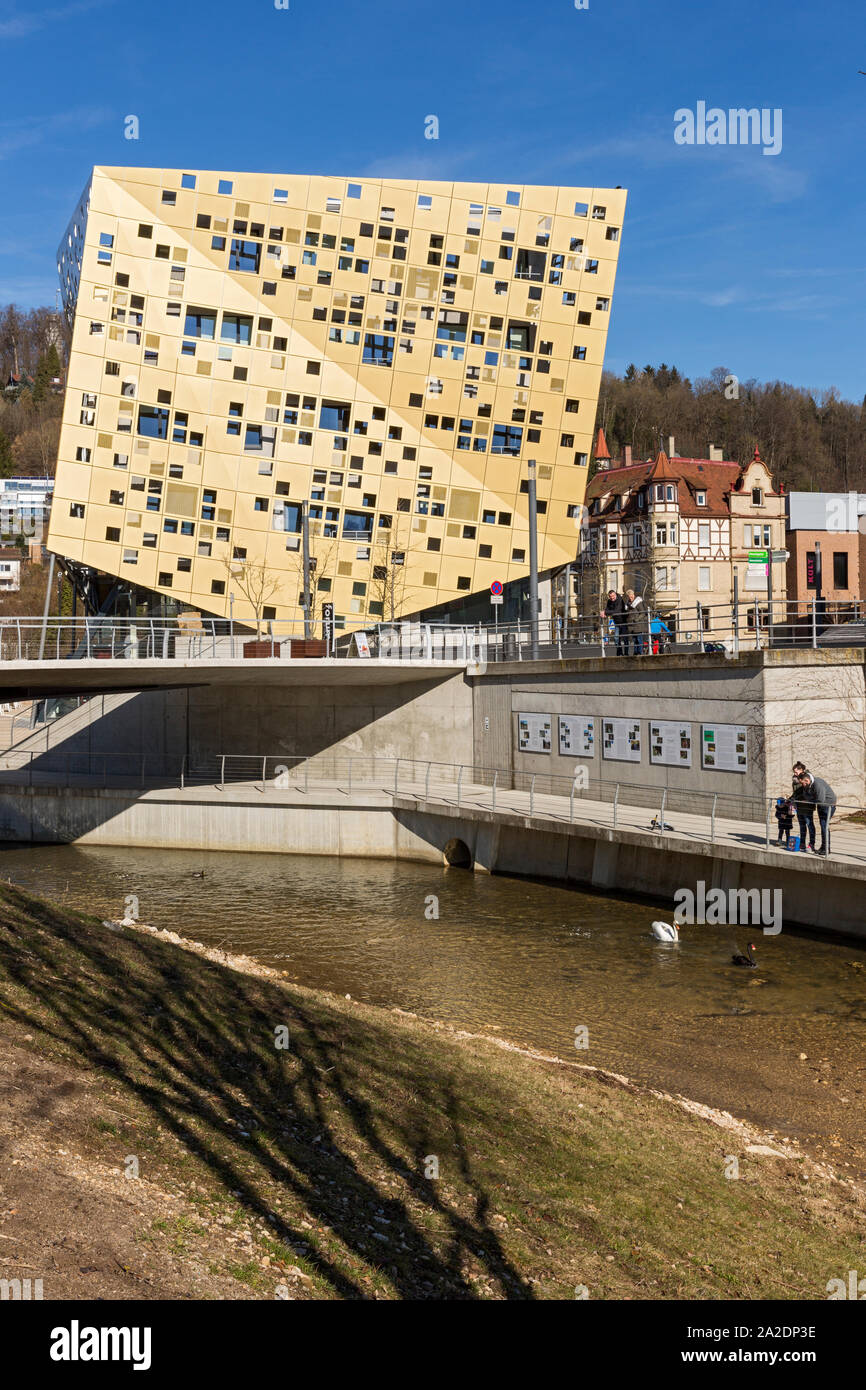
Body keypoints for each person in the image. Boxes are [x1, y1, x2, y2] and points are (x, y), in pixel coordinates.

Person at [798, 772, 837, 856]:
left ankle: (826, 848)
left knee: (824, 826)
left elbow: (820, 800)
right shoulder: (808, 785)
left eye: (803, 783)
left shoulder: (817, 784)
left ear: (807, 780)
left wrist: (809, 800)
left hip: (828, 806)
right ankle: (823, 847)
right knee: (823, 825)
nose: (803, 785)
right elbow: (806, 795)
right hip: (821, 806)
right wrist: (809, 798)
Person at [791, 761, 815, 852]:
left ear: (802, 770)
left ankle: (811, 844)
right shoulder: (795, 779)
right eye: (794, 772)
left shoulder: (808, 778)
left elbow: (807, 792)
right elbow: (796, 792)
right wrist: (791, 799)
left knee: (809, 824)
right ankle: (802, 843)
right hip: (799, 805)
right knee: (802, 825)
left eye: (796, 772)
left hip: (807, 806)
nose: (795, 774)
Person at [603, 589, 629, 655]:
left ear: (615, 594)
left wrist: (605, 612)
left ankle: (626, 653)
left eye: (613, 596)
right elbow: (607, 609)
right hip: (616, 622)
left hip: (624, 621)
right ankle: (619, 652)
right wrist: (604, 613)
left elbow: (617, 611)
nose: (612, 598)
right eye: (610, 596)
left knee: (625, 638)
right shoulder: (609, 601)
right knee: (616, 638)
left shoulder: (620, 599)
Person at [624, 589, 645, 655]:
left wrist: (637, 619)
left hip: (638, 624)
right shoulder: (628, 604)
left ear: (633, 595)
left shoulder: (638, 602)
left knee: (639, 639)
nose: (631, 597)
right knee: (635, 640)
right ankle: (635, 653)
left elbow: (643, 613)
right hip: (631, 625)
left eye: (631, 596)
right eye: (629, 596)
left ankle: (640, 653)